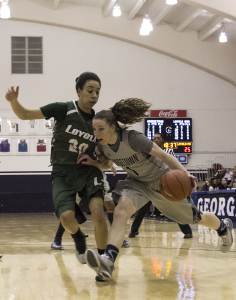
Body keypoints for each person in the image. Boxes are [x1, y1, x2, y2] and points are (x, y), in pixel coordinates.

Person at [77, 98, 233, 281]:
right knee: (120, 211)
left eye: (100, 128)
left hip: (163, 182)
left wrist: (185, 174)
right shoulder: (102, 146)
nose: (96, 133)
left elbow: (164, 155)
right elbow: (109, 163)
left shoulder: (133, 138)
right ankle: (108, 262)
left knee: (194, 218)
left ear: (113, 127)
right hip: (137, 183)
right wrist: (95, 162)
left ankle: (223, 228)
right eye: (94, 129)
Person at [5, 72, 109, 264]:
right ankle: (78, 237)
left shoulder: (99, 122)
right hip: (62, 172)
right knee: (66, 217)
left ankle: (104, 260)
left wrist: (101, 160)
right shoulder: (63, 109)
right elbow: (25, 114)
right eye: (90, 90)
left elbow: (107, 158)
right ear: (79, 91)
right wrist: (13, 102)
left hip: (87, 171)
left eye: (98, 92)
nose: (94, 95)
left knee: (98, 211)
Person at [129, 133, 192, 239]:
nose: (156, 140)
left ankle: (187, 231)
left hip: (165, 183)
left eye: (158, 138)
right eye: (154, 139)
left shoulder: (168, 152)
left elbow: (173, 165)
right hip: (150, 182)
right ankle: (134, 230)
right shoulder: (148, 152)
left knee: (175, 207)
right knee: (143, 207)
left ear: (163, 140)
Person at [51, 172, 131, 250]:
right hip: (79, 175)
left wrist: (108, 162)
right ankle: (57, 239)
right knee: (69, 210)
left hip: (97, 176)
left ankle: (117, 237)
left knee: (110, 206)